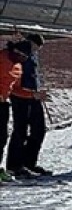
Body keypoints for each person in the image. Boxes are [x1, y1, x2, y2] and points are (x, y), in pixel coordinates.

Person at [5, 35, 49, 178]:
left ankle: (29, 163)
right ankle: (14, 165)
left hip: (33, 97)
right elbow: (14, 82)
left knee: (39, 130)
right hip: (20, 98)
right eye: (36, 46)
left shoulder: (32, 55)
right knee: (20, 130)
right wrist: (31, 94)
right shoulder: (19, 55)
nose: (36, 50)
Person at [0, 40, 29, 182]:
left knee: (1, 138)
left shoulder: (18, 67)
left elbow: (15, 90)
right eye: (18, 54)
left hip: (3, 104)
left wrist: (33, 95)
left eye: (24, 57)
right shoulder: (1, 58)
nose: (20, 58)